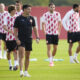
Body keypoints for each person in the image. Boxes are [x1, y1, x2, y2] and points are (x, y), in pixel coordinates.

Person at [14, 4, 39, 77]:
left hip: (29, 39)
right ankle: (21, 71)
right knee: (22, 55)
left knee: (27, 56)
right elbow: (15, 30)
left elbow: (34, 28)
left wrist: (37, 37)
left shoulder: (32, 18)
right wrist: (16, 39)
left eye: (30, 9)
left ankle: (26, 72)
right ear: (24, 9)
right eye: (28, 9)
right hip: (21, 39)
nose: (30, 10)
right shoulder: (18, 18)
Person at [3, 5, 18, 70]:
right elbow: (4, 26)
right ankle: (10, 65)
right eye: (14, 9)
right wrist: (9, 30)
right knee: (8, 52)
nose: (16, 11)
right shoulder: (6, 17)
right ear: (11, 11)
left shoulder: (17, 17)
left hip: (15, 37)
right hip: (8, 38)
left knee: (15, 51)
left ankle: (15, 65)